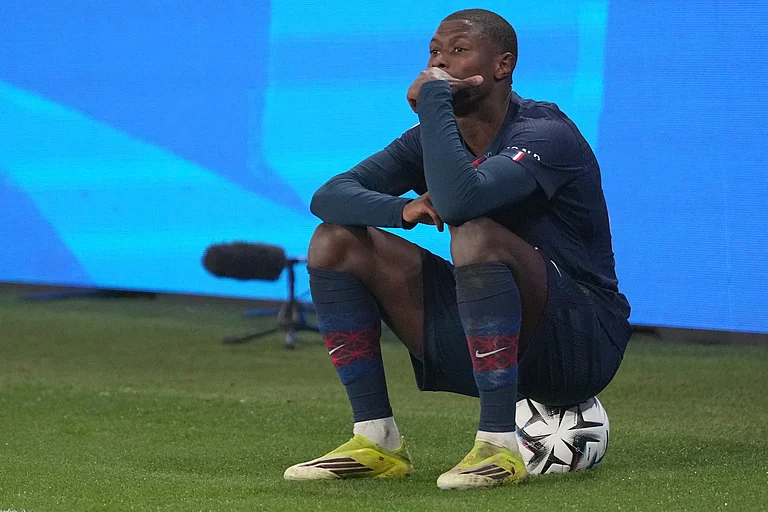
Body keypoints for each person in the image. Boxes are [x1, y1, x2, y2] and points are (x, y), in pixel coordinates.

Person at [283, 8, 631, 490]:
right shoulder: (430, 141)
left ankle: (497, 446)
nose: (439, 63)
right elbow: (328, 196)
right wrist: (401, 211)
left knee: (473, 231)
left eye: (459, 50)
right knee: (334, 241)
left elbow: (460, 200)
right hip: (491, 337)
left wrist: (431, 100)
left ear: (502, 65)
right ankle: (375, 439)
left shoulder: (545, 133)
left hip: (580, 343)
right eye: (433, 52)